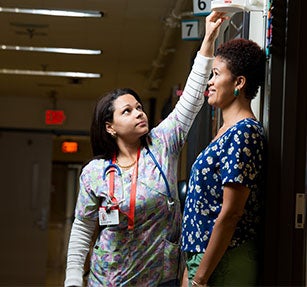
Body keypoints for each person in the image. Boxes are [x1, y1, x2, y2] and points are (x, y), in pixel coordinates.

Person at [64, 11, 227, 287]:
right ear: (110, 127)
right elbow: (83, 228)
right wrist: (72, 280)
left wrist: (209, 37)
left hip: (159, 277)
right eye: (127, 111)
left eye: (139, 107)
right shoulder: (95, 173)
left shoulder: (162, 143)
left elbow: (191, 97)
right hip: (107, 280)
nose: (138, 113)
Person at [180, 38, 267, 287]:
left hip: (224, 260)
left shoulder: (244, 132)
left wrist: (200, 278)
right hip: (204, 257)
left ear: (239, 82)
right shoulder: (225, 130)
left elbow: (231, 213)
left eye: (216, 74)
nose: (210, 81)